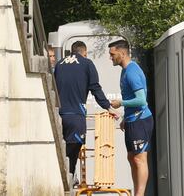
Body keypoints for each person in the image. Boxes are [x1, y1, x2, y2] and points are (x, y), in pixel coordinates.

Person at [54, 41, 119, 182]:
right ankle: (69, 178)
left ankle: (66, 178)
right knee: (72, 153)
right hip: (75, 116)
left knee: (59, 151)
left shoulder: (58, 64)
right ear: (84, 52)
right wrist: (108, 107)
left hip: (58, 116)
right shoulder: (87, 63)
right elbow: (95, 88)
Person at [108, 40, 153, 196]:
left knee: (140, 159)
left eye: (112, 54)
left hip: (141, 120)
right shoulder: (124, 70)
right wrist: (126, 118)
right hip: (132, 119)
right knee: (131, 157)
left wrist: (120, 103)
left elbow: (141, 100)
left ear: (122, 53)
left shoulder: (132, 71)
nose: (110, 57)